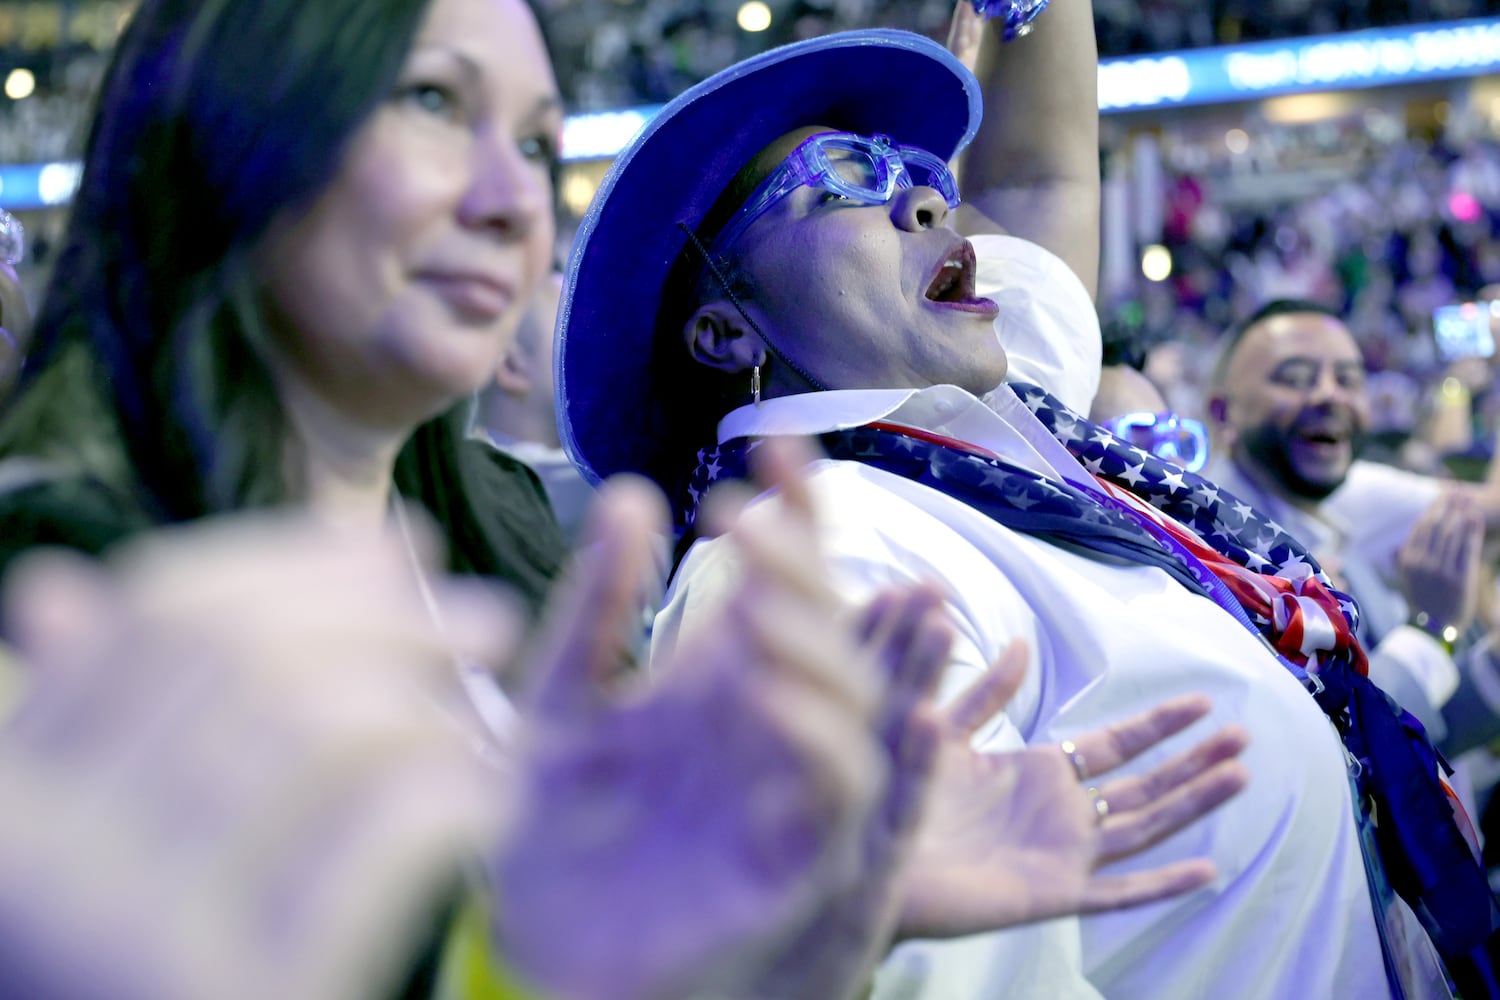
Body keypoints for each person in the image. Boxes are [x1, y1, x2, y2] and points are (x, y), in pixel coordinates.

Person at [554, 4, 1499, 998]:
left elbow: (1037, 178)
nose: (925, 201)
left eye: (917, 175)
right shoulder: (816, 563)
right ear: (724, 331)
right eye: (842, 180)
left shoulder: (981, 450)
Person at [1205, 299, 1500, 759]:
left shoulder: (1326, 518)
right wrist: (1431, 628)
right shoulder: (1216, 556)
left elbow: (1419, 743)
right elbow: (1336, 758)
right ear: (1223, 414)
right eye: (1296, 378)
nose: (1330, 395)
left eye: (1349, 379)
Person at [473, 270, 597, 542]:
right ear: (511, 367)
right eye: (575, 332)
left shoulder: (611, 484)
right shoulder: (460, 496)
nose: (602, 354)